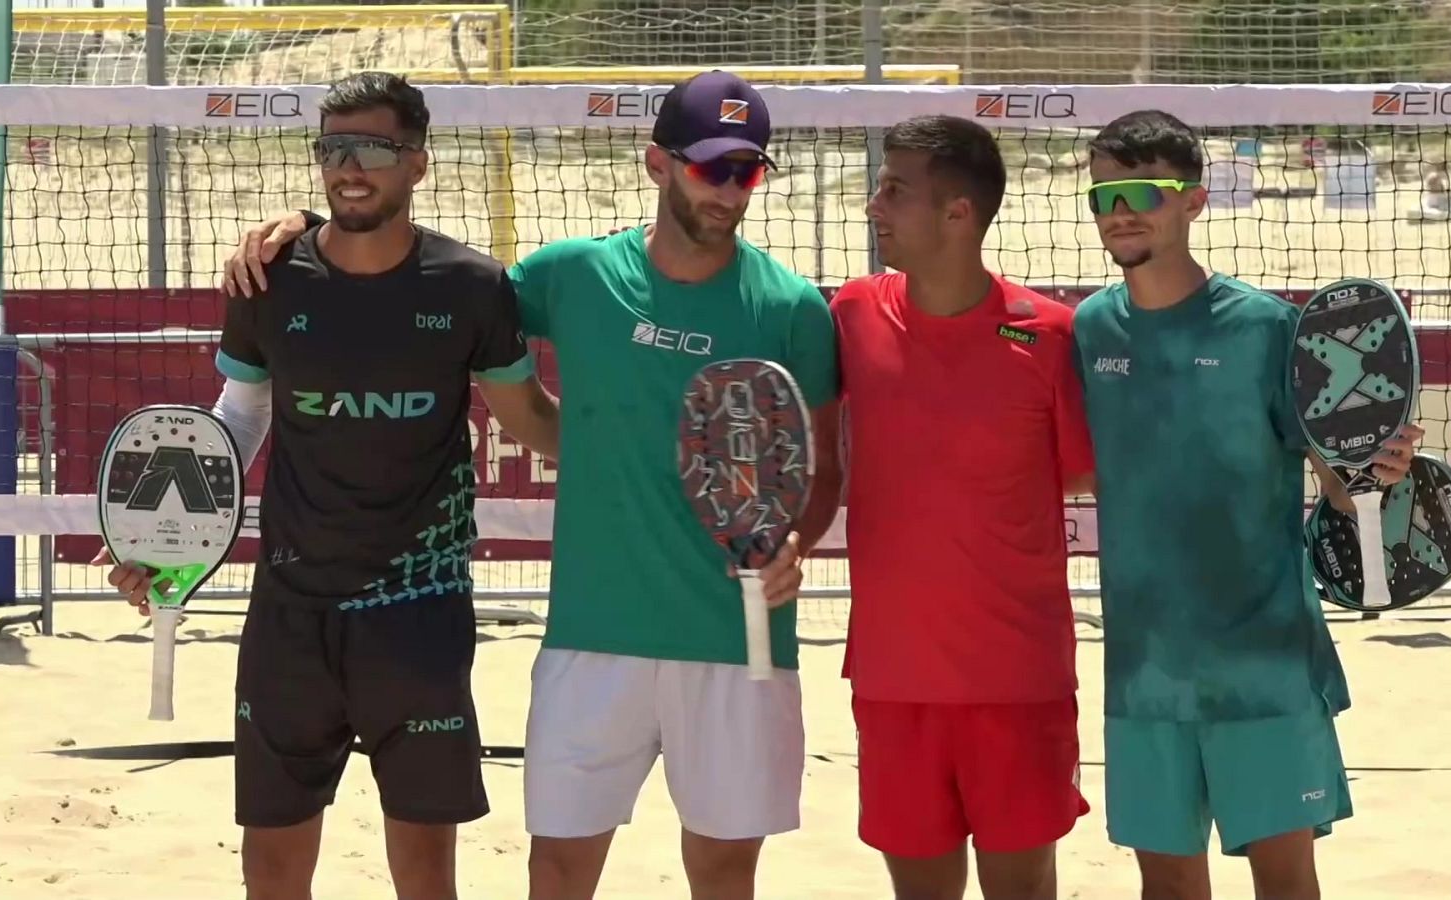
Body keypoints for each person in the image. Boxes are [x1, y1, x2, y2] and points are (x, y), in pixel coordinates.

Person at [219, 70, 842, 900]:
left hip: (735, 636)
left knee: (726, 872)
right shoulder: (571, 276)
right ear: (660, 164)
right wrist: (306, 224)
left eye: (747, 170)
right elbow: (399, 270)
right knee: (555, 869)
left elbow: (822, 462)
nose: (729, 188)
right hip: (591, 636)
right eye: (710, 166)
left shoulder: (793, 307)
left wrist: (797, 540)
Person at [103, 71, 562, 900]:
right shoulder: (268, 281)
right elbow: (237, 422)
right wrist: (156, 540)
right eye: (332, 148)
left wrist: (635, 460)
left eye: (374, 149)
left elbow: (530, 417)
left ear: (418, 163)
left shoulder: (473, 287)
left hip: (417, 615)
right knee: (272, 878)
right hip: (290, 616)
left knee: (426, 879)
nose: (350, 167)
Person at [1072, 108, 1424, 900]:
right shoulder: (1091, 330)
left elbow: (1340, 481)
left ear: (1193, 202)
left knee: (1286, 882)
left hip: (1263, 664)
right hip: (1144, 669)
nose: (1119, 212)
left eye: (1140, 193)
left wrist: (1376, 467)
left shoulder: (1267, 329)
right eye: (1103, 196)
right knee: (1165, 886)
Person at [829, 114, 1094, 900]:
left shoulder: (1050, 335)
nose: (875, 204)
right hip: (892, 678)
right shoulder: (851, 313)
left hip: (1016, 680)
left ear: (958, 214)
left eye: (894, 189)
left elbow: (1092, 474)